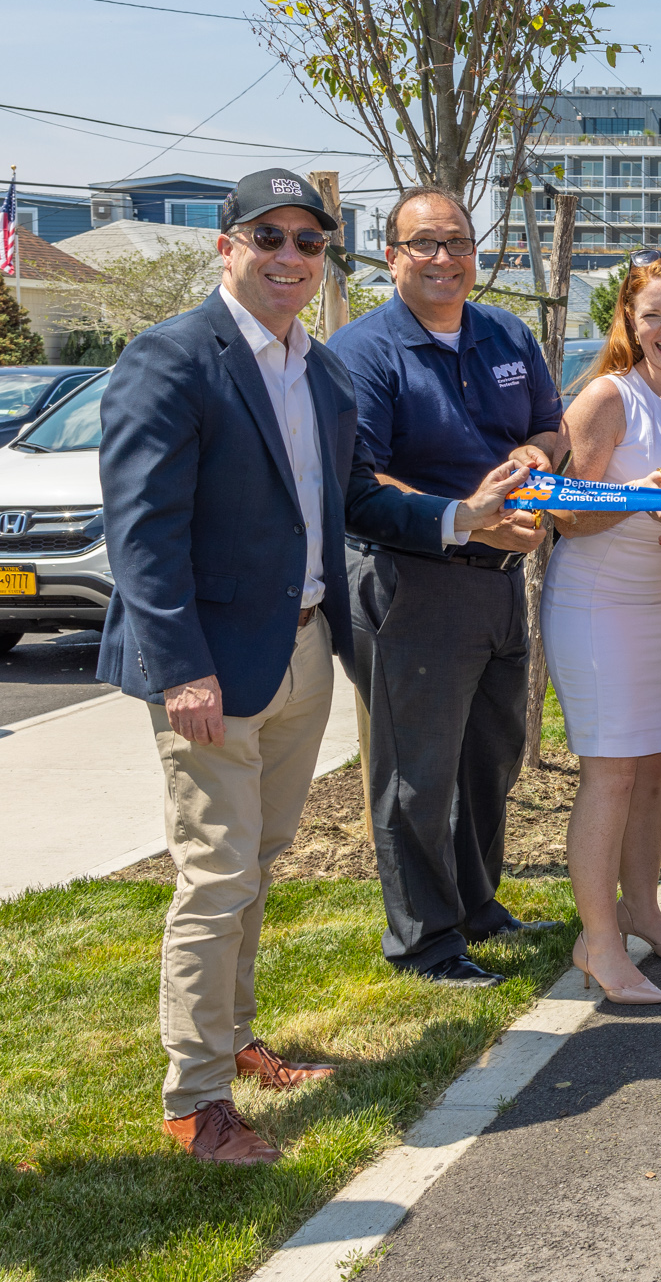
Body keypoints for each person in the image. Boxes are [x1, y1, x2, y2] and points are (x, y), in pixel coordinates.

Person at [97, 168, 524, 1163]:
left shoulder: (322, 373)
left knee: (256, 861)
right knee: (215, 873)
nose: (290, 255)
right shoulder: (172, 358)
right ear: (226, 246)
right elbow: (143, 533)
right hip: (208, 667)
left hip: (299, 650)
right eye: (269, 236)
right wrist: (182, 669)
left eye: (309, 240)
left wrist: (461, 517)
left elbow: (356, 502)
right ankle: (196, 1098)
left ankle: (235, 1040)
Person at [333, 187, 570, 987]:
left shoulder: (506, 332)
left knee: (489, 758)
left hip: (500, 585)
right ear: (392, 256)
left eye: (458, 242)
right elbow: (359, 482)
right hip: (415, 583)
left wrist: (538, 455)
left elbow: (550, 425)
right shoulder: (364, 352)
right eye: (425, 243)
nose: (444, 258)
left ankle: (477, 907)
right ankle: (425, 942)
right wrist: (468, 520)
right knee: (418, 775)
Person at [541, 248, 661, 1006]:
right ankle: (598, 941)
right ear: (629, 321)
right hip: (598, 606)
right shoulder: (607, 398)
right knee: (611, 772)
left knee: (653, 768)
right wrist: (636, 498)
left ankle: (644, 912)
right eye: (653, 315)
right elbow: (567, 516)